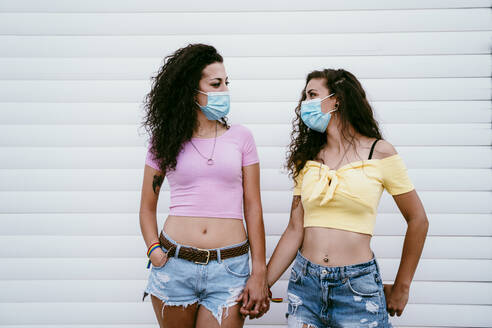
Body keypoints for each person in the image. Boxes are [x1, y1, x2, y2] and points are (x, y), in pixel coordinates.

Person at [265, 68, 429, 327]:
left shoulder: (380, 152)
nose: (305, 104)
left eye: (312, 95)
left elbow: (418, 219)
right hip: (305, 286)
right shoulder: (307, 158)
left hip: (357, 287)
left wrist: (402, 286)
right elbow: (295, 229)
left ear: (337, 99)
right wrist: (263, 283)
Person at [139, 43, 269, 328]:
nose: (224, 90)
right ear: (191, 90)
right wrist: (154, 252)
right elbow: (147, 208)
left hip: (230, 267)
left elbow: (253, 207)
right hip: (174, 264)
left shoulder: (241, 137)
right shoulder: (164, 141)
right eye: (215, 83)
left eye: (226, 83)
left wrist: (259, 269)